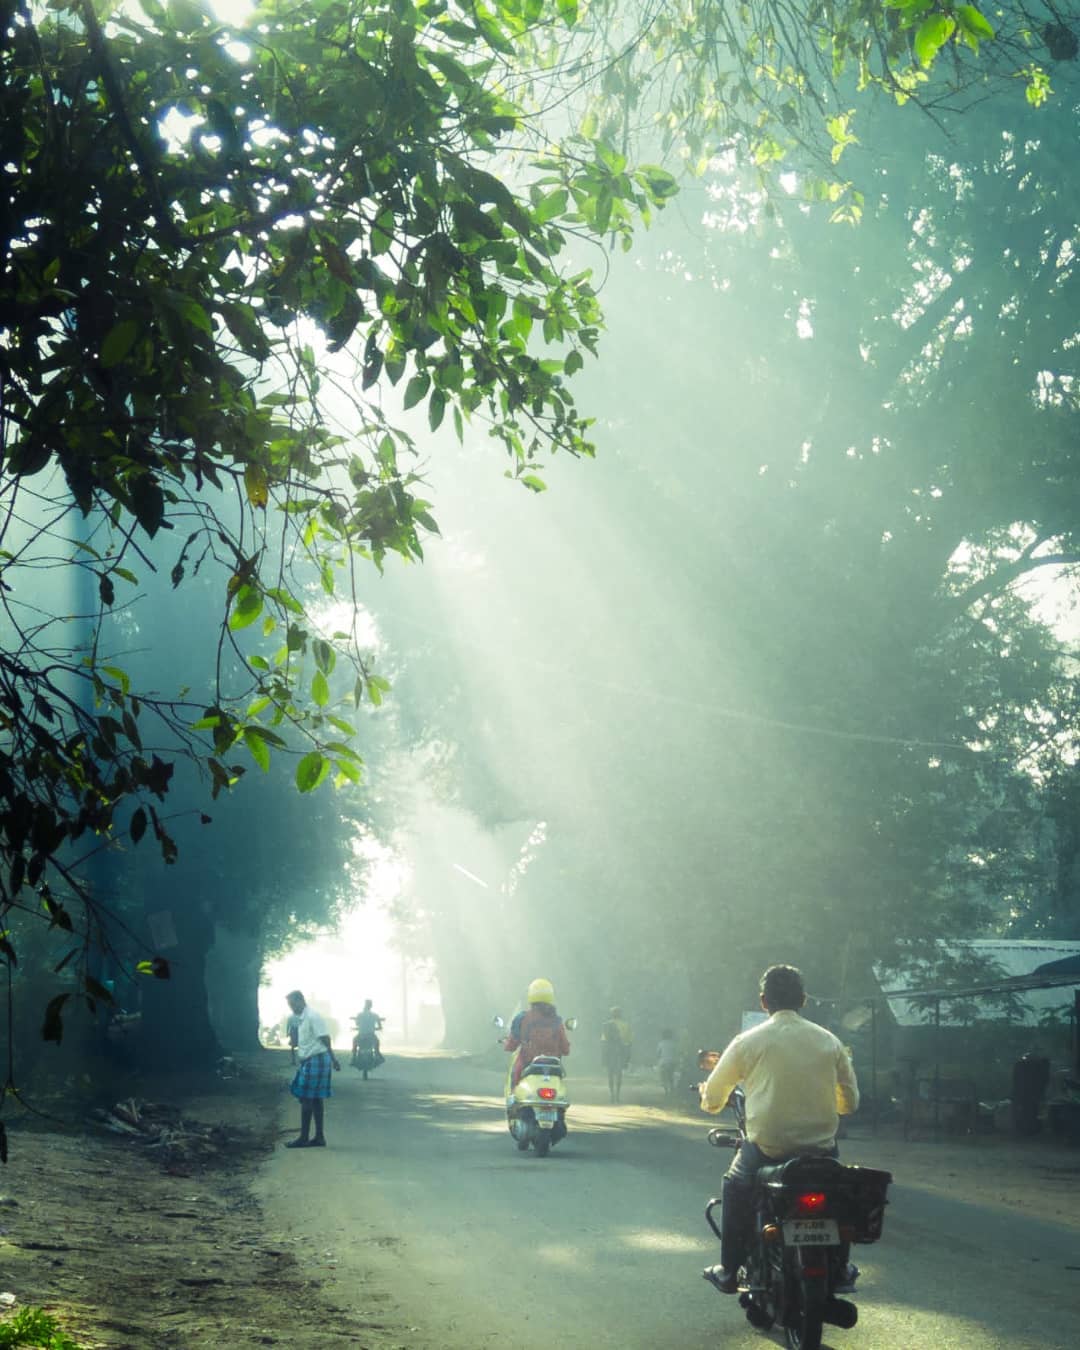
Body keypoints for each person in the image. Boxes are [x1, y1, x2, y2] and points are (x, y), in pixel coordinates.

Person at [699, 964, 859, 1294]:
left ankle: (729, 1271)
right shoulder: (829, 1042)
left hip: (766, 1148)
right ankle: (840, 1268)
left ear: (763, 1001)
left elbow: (714, 1099)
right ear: (803, 1000)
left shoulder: (748, 1042)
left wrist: (708, 1099)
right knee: (837, 1199)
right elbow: (850, 1103)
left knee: (734, 1185)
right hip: (821, 1150)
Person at [284, 990, 340, 1149]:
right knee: (315, 1098)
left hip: (317, 1059)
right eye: (290, 1005)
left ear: (301, 1001)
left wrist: (333, 1058)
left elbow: (325, 1038)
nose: (292, 1008)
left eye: (293, 1004)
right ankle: (319, 1137)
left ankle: (304, 1137)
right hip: (309, 1060)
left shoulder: (312, 1016)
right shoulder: (301, 1018)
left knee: (307, 1097)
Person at [503, 977, 571, 1088]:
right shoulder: (558, 1021)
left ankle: (514, 1096)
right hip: (553, 1066)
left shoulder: (522, 1019)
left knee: (515, 1075)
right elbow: (566, 1049)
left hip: (528, 1063)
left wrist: (507, 1044)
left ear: (531, 995)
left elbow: (511, 1045)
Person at [600, 1006, 633, 1103]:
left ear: (612, 1014)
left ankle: (612, 1094)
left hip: (610, 1051)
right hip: (621, 1050)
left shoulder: (607, 1024)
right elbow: (629, 1041)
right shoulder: (626, 1025)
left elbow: (603, 1040)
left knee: (610, 1074)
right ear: (621, 1014)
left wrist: (604, 1055)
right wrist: (627, 1055)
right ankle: (617, 1095)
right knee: (619, 1074)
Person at [352, 998, 385, 1067]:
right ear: (371, 1006)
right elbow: (380, 1026)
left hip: (361, 1035)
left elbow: (357, 1024)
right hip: (371, 1036)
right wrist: (377, 1028)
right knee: (377, 1045)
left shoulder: (360, 1014)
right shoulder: (375, 1015)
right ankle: (377, 1054)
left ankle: (354, 1057)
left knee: (354, 1042)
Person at [656, 1027, 678, 1097]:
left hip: (663, 1062)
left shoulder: (661, 1044)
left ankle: (666, 1091)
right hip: (672, 1062)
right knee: (671, 1076)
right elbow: (676, 1053)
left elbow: (658, 1054)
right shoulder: (674, 1043)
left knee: (663, 1077)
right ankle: (672, 1089)